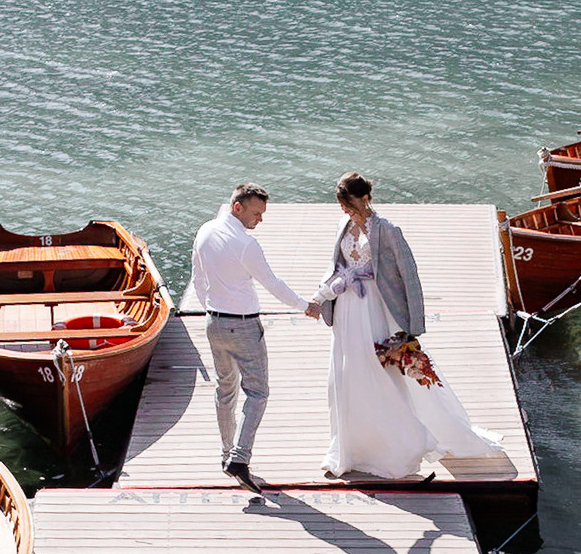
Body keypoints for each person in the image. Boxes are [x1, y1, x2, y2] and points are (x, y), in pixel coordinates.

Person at [314, 173, 508, 481]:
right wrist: (322, 295)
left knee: (378, 373)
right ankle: (350, 449)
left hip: (376, 310)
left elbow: (410, 277)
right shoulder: (344, 226)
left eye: (347, 204)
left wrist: (412, 328)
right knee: (344, 375)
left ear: (363, 199)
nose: (344, 211)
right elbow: (337, 267)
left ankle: (399, 446)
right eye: (341, 205)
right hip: (348, 311)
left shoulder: (388, 231)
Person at [187, 183, 315, 493]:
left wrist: (211, 311)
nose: (260, 220)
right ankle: (239, 458)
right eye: (256, 213)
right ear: (237, 207)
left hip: (214, 324)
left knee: (225, 390)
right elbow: (273, 283)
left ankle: (225, 453)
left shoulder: (204, 231)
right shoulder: (246, 244)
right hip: (243, 327)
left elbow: (198, 276)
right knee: (257, 392)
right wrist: (305, 306)